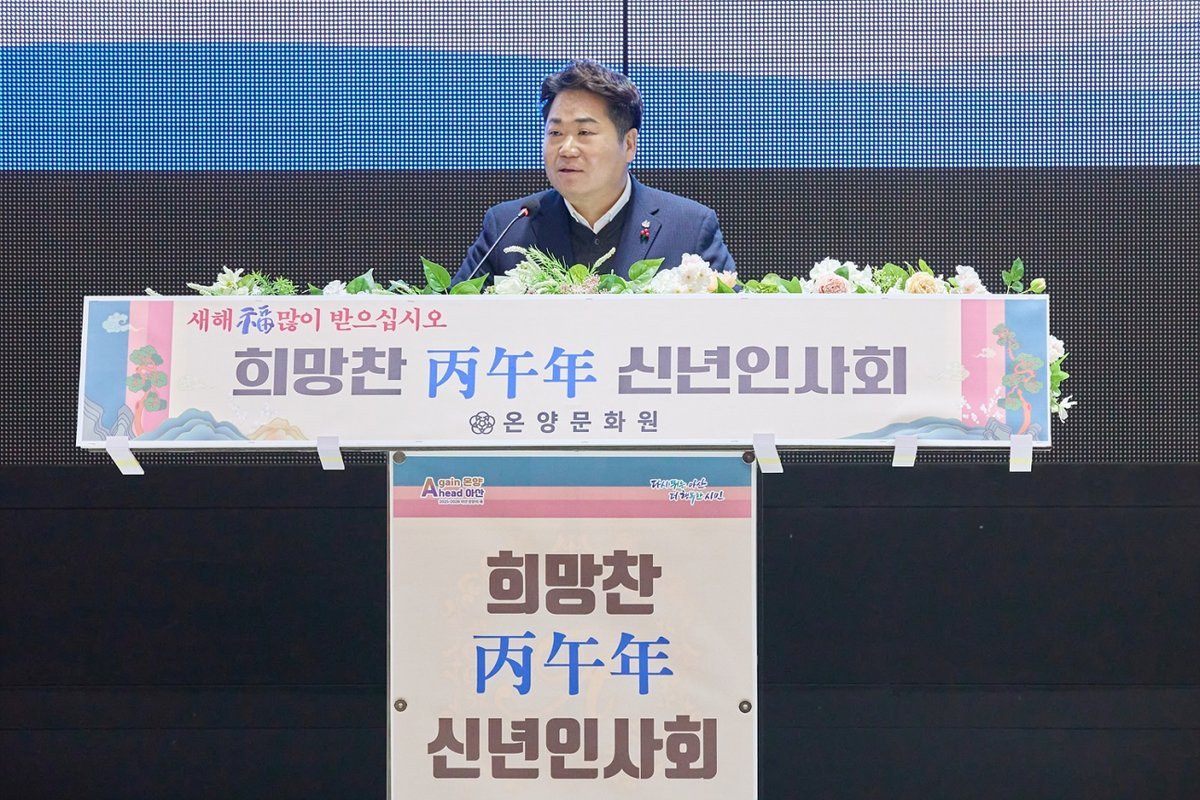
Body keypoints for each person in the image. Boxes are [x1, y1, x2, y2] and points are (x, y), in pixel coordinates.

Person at [453, 60, 735, 284]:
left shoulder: (689, 228)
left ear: (629, 144)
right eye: (555, 133)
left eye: (584, 132)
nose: (566, 149)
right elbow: (455, 319)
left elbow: (733, 325)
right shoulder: (508, 227)